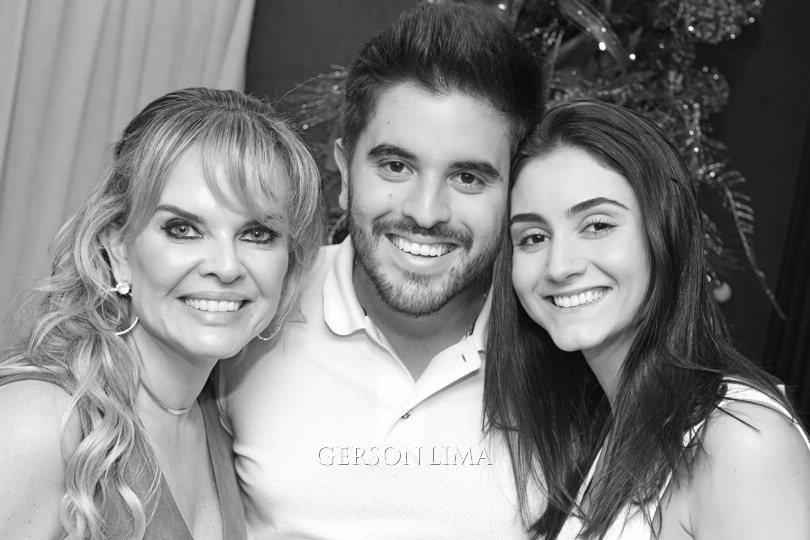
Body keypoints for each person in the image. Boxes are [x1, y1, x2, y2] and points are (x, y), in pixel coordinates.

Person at [218, 3, 546, 538]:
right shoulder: (250, 310)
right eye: (396, 166)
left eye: (467, 177)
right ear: (345, 173)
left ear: (517, 193)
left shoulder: (565, 346)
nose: (426, 212)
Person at [0, 88, 322, 539]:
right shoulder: (38, 423)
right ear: (118, 250)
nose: (226, 266)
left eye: (257, 233)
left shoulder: (220, 423)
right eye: (183, 229)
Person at [487, 99, 810, 539]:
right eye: (533, 237)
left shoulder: (741, 443)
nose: (559, 266)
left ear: (666, 231)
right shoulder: (602, 426)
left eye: (598, 225)